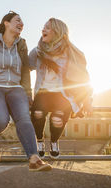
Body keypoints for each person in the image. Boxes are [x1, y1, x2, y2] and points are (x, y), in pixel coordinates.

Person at [0, 11, 52, 171]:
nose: (21, 23)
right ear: (6, 23)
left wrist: (28, 93)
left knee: (24, 118)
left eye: (22, 21)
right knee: (2, 120)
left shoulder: (21, 45)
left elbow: (24, 71)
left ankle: (34, 158)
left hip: (15, 87)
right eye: (17, 20)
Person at [29, 18, 92, 159]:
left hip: (63, 94)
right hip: (43, 92)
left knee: (58, 119)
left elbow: (84, 78)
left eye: (47, 28)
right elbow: (24, 69)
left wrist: (87, 100)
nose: (43, 30)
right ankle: (39, 141)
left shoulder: (72, 53)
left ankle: (54, 141)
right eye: (43, 27)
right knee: (37, 113)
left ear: (57, 32)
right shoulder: (38, 51)